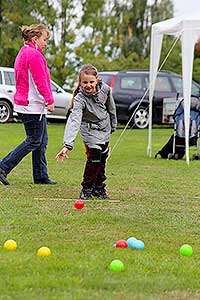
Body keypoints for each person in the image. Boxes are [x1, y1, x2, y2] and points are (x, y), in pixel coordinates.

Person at [0, 24, 57, 185]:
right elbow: (40, 81)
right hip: (32, 105)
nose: (46, 43)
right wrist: (50, 100)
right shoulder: (34, 55)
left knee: (41, 140)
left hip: (31, 105)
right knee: (33, 140)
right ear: (35, 39)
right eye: (44, 39)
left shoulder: (25, 52)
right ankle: (3, 166)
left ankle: (40, 176)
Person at [56, 64, 117, 200]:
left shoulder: (106, 90)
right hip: (89, 131)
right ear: (80, 82)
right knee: (94, 157)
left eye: (91, 82)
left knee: (102, 160)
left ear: (97, 80)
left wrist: (113, 125)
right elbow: (74, 120)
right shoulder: (79, 99)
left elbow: (111, 108)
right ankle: (87, 189)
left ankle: (99, 188)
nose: (88, 85)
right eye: (85, 82)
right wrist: (67, 145)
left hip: (104, 128)